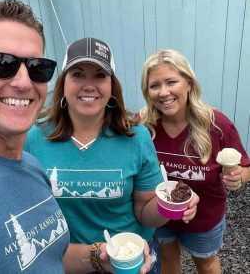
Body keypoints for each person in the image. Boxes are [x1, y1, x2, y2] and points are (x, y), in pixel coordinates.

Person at [0, 0, 122, 274]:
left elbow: (46, 255)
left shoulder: (30, 165)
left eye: (37, 67)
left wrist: (97, 257)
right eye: (1, 63)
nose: (23, 82)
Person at [25, 37, 199, 273]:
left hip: (131, 260)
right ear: (63, 83)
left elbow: (145, 214)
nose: (89, 85)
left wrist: (169, 203)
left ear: (112, 85)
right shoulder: (33, 138)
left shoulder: (135, 136)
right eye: (77, 74)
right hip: (68, 263)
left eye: (99, 75)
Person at [140, 49, 250, 274]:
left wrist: (239, 176)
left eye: (171, 82)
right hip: (159, 214)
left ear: (188, 83)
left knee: (206, 264)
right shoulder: (143, 126)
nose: (164, 92)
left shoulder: (218, 125)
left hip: (205, 218)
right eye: (154, 85)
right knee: (168, 259)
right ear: (147, 91)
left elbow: (246, 167)